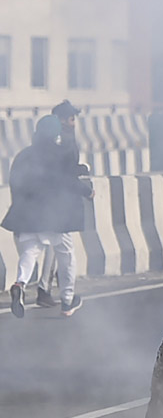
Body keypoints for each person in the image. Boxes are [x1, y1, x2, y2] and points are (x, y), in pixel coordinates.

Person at [3, 116, 90, 317]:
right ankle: (67, 301)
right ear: (56, 134)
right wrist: (87, 192)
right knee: (66, 255)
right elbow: (67, 180)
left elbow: (15, 182)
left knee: (30, 253)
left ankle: (20, 283)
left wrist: (21, 206)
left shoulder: (23, 155)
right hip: (55, 215)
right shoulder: (59, 154)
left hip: (26, 215)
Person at [35, 100, 87, 307]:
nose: (74, 123)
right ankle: (58, 294)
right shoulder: (63, 141)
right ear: (64, 120)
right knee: (58, 246)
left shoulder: (50, 139)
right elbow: (64, 172)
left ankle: (45, 289)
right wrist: (84, 185)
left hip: (53, 199)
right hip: (58, 200)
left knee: (52, 245)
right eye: (72, 119)